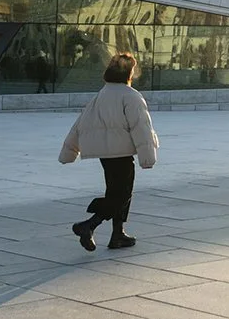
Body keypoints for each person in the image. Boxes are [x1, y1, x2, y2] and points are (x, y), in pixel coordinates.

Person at [60, 53, 159, 251]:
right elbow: (141, 127)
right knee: (122, 195)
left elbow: (80, 124)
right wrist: (147, 158)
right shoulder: (131, 96)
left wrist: (69, 151)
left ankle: (117, 234)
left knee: (115, 191)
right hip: (121, 152)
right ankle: (88, 225)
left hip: (106, 155)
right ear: (129, 73)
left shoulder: (101, 95)